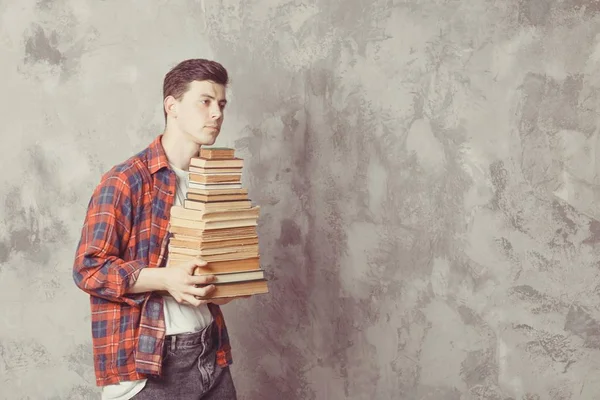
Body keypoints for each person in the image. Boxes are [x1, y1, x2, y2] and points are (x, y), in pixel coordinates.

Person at [73, 59, 244, 399]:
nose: (216, 114)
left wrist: (229, 280)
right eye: (205, 101)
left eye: (221, 104)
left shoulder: (211, 181)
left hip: (210, 351)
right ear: (172, 106)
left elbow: (209, 274)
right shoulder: (126, 180)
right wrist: (165, 278)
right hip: (155, 364)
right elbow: (88, 269)